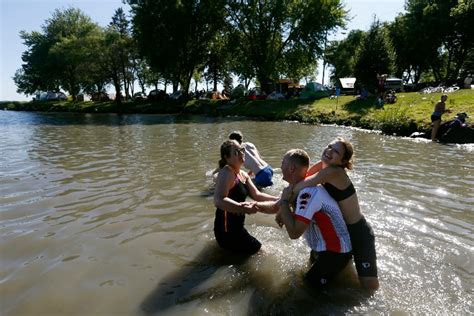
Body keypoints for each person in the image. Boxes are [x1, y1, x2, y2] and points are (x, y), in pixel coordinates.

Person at [292, 137, 379, 291]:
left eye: (336, 151)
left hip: (359, 233)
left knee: (368, 287)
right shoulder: (325, 166)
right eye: (329, 146)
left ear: (343, 161)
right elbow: (304, 178)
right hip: (344, 231)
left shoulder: (333, 172)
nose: (329, 151)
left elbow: (301, 185)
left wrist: (282, 203)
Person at [275, 149, 353, 289]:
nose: (280, 166)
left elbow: (294, 233)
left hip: (335, 252)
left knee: (310, 290)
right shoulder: (299, 189)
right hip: (322, 248)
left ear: (291, 168)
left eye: (282, 163)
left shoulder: (308, 193)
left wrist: (284, 204)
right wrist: (284, 209)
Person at [213, 140, 279, 255]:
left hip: (236, 228)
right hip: (226, 231)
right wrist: (243, 208)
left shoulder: (242, 174)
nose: (241, 153)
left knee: (260, 252)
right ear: (227, 157)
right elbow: (218, 200)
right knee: (263, 253)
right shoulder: (226, 172)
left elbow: (257, 195)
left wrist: (278, 200)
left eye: (242, 150)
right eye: (236, 152)